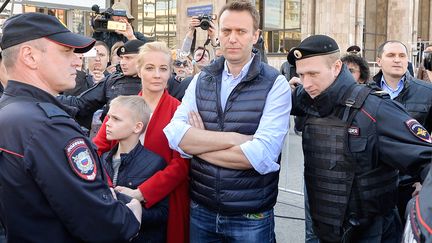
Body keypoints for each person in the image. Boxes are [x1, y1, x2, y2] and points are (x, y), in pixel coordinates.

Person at [0, 12, 142, 242]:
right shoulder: (47, 127)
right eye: (66, 51)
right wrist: (132, 214)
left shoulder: (10, 110)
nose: (77, 60)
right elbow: (104, 225)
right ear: (30, 57)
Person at [164, 1, 291, 242]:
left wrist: (198, 146)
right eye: (226, 31)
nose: (232, 38)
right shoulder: (202, 79)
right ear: (218, 34)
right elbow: (175, 135)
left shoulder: (275, 84)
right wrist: (233, 140)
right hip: (202, 210)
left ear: (255, 36)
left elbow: (261, 156)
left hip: (250, 217)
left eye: (241, 31)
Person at [288, 34, 432, 242]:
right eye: (301, 75)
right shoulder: (309, 97)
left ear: (337, 68)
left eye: (313, 74)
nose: (306, 83)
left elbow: (427, 157)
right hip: (325, 231)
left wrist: (425, 202)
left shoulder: (376, 109)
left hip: (371, 233)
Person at [93, 41, 190, 243]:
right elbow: (97, 149)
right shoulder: (123, 107)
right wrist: (113, 190)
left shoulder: (180, 111)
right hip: (120, 196)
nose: (157, 75)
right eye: (149, 68)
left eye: (163, 69)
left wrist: (142, 193)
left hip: (163, 199)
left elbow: (181, 165)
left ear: (170, 72)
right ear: (139, 70)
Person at [372, 40, 432, 224]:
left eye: (402, 56)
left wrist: (425, 182)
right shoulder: (365, 92)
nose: (397, 60)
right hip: (375, 184)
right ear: (379, 61)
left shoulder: (427, 92)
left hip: (411, 186)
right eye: (391, 55)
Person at [103, 95, 168, 243]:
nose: (108, 123)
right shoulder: (103, 159)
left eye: (116, 119)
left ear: (137, 127)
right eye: (108, 117)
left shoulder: (154, 163)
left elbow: (163, 214)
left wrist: (135, 209)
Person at [57, 39, 144, 127]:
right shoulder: (112, 80)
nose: (122, 63)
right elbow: (81, 103)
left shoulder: (153, 82)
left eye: (128, 58)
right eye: (121, 58)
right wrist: (49, 97)